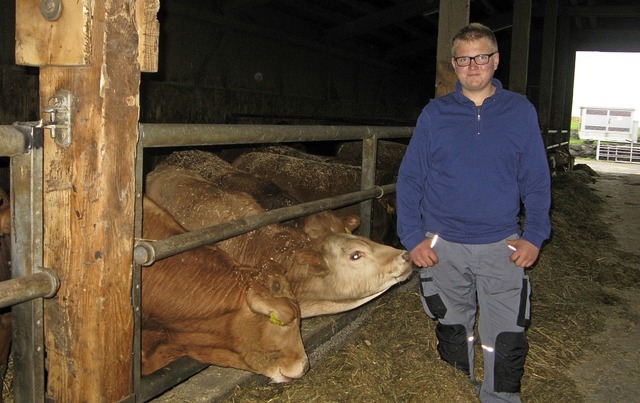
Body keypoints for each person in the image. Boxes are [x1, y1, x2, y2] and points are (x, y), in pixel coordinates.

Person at [396, 22, 551, 403]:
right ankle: (457, 396)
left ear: (495, 60)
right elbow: (410, 178)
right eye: (464, 59)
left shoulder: (519, 111)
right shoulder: (435, 114)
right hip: (442, 244)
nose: (473, 66)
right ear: (454, 65)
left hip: (503, 244)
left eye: (481, 57)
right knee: (452, 328)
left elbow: (536, 177)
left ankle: (500, 398)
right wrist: (412, 238)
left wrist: (534, 234)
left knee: (507, 336)